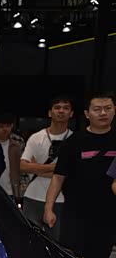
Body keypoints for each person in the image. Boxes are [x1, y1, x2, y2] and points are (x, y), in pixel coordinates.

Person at [44, 92, 116, 258]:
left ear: (114, 110)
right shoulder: (74, 142)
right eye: (97, 109)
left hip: (108, 215)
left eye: (107, 108)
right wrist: (49, 208)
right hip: (76, 214)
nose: (103, 113)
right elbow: (58, 177)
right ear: (86, 113)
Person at [19, 96, 74, 241]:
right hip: (33, 195)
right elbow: (23, 166)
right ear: (50, 113)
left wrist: (36, 168)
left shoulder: (75, 140)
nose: (61, 111)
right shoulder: (36, 137)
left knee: (57, 242)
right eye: (57, 107)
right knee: (30, 239)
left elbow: (74, 172)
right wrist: (56, 169)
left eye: (66, 108)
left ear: (71, 113)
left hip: (61, 199)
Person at [0, 113, 23, 198]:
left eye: (8, 126)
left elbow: (22, 167)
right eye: (1, 126)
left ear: (11, 126)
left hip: (12, 191)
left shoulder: (16, 145)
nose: (5, 129)